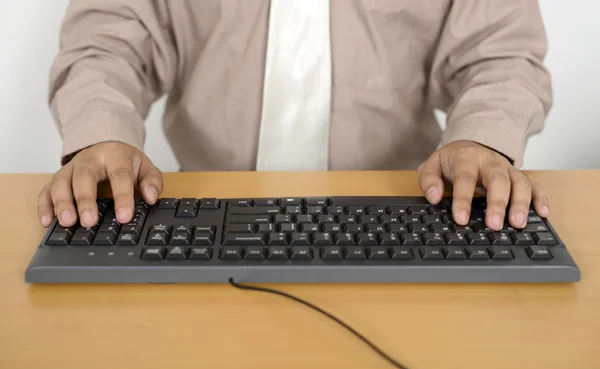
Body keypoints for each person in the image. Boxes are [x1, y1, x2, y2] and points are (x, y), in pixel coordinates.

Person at [37, 1, 552, 232]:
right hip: (207, 213)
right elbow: (109, 41)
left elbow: (498, 52)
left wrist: (482, 140)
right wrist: (101, 134)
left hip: (400, 210)